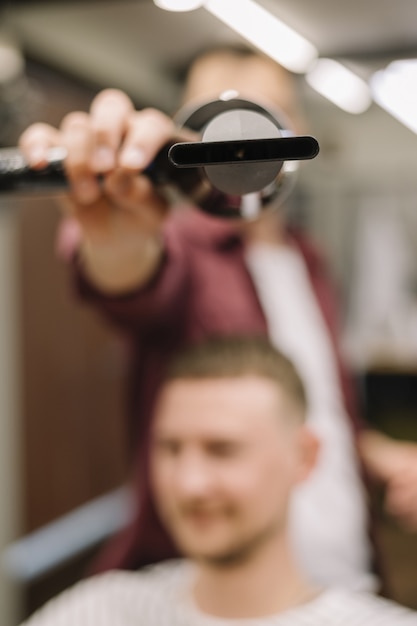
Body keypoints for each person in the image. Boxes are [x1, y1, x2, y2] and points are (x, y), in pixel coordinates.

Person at [19, 46, 417, 592]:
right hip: (213, 593)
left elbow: (321, 410)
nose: (236, 134)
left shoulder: (310, 258)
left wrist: (381, 454)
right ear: (182, 137)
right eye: (213, 114)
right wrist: (114, 242)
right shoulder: (174, 245)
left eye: (264, 109)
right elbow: (133, 281)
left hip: (347, 581)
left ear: (294, 128)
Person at [20, 336, 417, 625]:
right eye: (171, 449)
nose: (189, 484)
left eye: (223, 450)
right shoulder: (102, 612)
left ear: (305, 457)